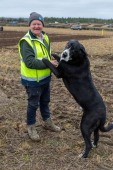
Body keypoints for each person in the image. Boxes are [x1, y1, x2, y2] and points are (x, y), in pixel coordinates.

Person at [18, 12, 61, 141]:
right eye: (34, 24)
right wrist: (49, 63)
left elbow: (44, 55)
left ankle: (47, 122)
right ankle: (31, 127)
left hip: (45, 78)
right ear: (30, 25)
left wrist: (51, 57)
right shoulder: (26, 41)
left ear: (42, 25)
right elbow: (30, 62)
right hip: (32, 81)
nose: (37, 26)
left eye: (39, 24)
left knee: (45, 102)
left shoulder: (45, 37)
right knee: (33, 105)